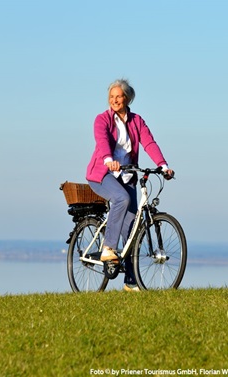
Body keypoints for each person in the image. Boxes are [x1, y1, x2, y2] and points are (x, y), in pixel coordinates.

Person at [86, 79, 174, 291]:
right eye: (111, 97)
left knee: (133, 226)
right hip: (103, 173)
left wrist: (162, 165)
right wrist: (108, 159)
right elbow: (102, 140)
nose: (114, 100)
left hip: (127, 176)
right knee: (121, 199)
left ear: (127, 98)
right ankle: (108, 247)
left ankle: (130, 281)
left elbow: (149, 142)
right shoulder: (102, 120)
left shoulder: (136, 121)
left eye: (119, 96)